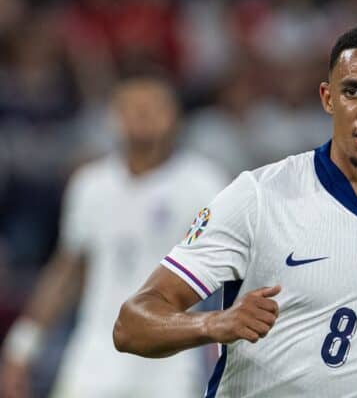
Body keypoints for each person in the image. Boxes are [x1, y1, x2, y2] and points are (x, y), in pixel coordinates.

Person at [113, 22, 357, 398]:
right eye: (353, 91)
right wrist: (217, 322)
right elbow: (131, 325)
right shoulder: (259, 198)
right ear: (328, 98)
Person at [0, 75, 230, 398]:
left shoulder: (204, 184)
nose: (143, 114)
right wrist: (22, 346)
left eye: (153, 105)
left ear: (175, 115)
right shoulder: (90, 184)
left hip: (170, 366)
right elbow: (68, 271)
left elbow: (232, 270)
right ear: (113, 116)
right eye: (132, 106)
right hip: (94, 358)